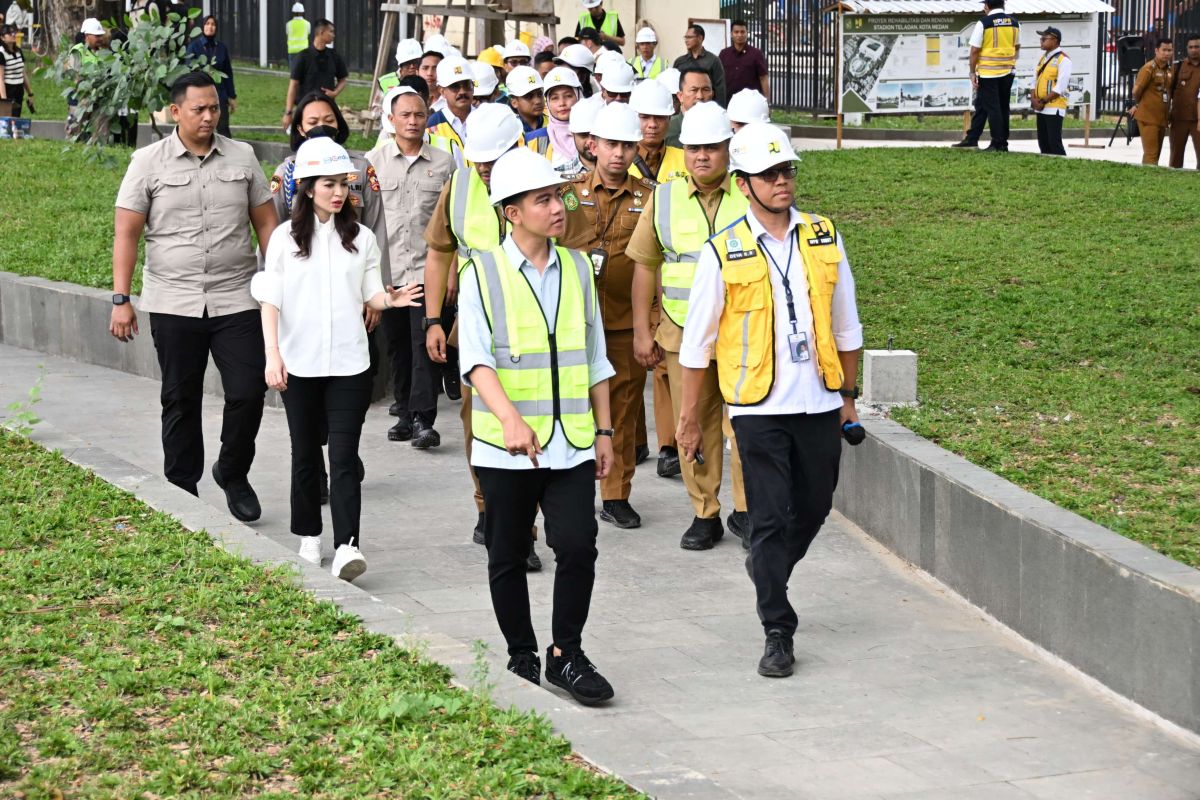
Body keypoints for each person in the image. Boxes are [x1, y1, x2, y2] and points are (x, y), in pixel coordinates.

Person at [677, 123, 863, 677]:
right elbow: (697, 346)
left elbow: (847, 326)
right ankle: (777, 628)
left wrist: (848, 399)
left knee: (815, 504)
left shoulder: (824, 235)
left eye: (788, 172)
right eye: (770, 174)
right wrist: (689, 419)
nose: (783, 182)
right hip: (756, 408)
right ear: (743, 183)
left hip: (820, 401)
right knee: (770, 514)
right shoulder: (722, 251)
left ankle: (766, 565)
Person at [458, 147, 615, 706]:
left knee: (578, 546)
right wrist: (509, 419)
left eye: (558, 196)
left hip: (571, 444)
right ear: (512, 211)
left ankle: (565, 654)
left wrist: (605, 432)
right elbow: (476, 362)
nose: (557, 207)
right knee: (506, 552)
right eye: (543, 199)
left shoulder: (577, 267)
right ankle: (520, 650)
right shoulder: (481, 272)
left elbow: (594, 357)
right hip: (507, 449)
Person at [109, 71, 278, 519]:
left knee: (248, 390)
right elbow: (126, 233)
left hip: (237, 298)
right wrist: (121, 298)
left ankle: (232, 470)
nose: (208, 116)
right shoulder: (148, 162)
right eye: (199, 109)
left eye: (214, 108)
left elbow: (265, 223)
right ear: (176, 112)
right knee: (180, 397)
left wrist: (279, 283)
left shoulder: (242, 156)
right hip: (173, 300)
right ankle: (182, 490)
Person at [253, 137, 423, 581]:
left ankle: (348, 545)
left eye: (343, 184)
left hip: (350, 365)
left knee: (345, 457)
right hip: (299, 365)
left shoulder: (362, 238)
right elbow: (270, 300)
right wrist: (273, 356)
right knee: (306, 454)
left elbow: (369, 293)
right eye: (328, 184)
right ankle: (309, 535)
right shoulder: (284, 241)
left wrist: (390, 298)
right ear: (307, 188)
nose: (339, 192)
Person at [422, 104, 543, 571]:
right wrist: (433, 320)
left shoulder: (547, 188)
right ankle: (487, 508)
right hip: (477, 326)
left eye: (495, 161)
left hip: (537, 326)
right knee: (481, 425)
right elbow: (438, 254)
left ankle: (523, 531)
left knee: (531, 421)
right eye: (480, 162)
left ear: (521, 144)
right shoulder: (459, 187)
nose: (486, 171)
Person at [631, 101, 751, 551]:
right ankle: (706, 512)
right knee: (693, 424)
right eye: (694, 148)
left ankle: (746, 510)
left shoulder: (750, 193)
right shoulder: (663, 199)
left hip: (743, 332)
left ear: (728, 149)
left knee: (744, 425)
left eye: (713, 148)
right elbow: (645, 265)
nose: (702, 156)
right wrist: (644, 330)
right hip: (683, 334)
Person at [559, 102, 653, 529]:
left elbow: (658, 263)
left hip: (621, 323)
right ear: (592, 144)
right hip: (570, 323)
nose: (619, 153)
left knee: (624, 409)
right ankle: (568, 487)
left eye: (628, 146)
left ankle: (616, 494)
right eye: (612, 144)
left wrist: (647, 324)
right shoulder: (565, 193)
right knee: (568, 405)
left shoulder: (650, 198)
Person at [367, 87, 457, 449]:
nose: (412, 121)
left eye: (419, 114)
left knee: (424, 345)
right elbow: (365, 221)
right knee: (398, 347)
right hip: (388, 274)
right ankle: (403, 413)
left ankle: (424, 419)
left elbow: (452, 223)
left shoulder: (444, 163)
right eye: (405, 115)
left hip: (427, 271)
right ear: (391, 120)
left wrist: (451, 272)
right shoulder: (372, 162)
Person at [952, 0, 1019, 152]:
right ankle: (972, 138)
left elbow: (975, 50)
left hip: (989, 73)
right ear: (1003, 5)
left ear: (987, 6)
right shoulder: (1015, 23)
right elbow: (1017, 46)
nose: (984, 8)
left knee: (994, 108)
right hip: (1008, 72)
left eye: (984, 5)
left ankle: (999, 143)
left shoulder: (984, 23)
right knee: (987, 105)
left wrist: (971, 71)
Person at [283, 20, 347, 131]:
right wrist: (288, 113)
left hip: (326, 108)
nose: (333, 35)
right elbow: (293, 85)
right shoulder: (303, 57)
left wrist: (335, 92)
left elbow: (343, 79)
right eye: (331, 31)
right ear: (321, 32)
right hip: (306, 109)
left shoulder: (334, 56)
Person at [186, 15, 236, 138]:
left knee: (223, 128)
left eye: (213, 24)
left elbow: (228, 73)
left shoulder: (221, 48)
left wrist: (232, 96)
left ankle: (227, 156)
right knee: (201, 129)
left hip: (220, 94)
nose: (210, 26)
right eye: (207, 23)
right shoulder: (194, 46)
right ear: (203, 26)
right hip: (199, 94)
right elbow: (189, 69)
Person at [629, 79, 687, 183]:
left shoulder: (686, 160)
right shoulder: (619, 161)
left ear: (669, 119)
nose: (652, 124)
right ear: (633, 119)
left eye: (659, 117)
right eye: (645, 117)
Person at [529, 66, 581, 173]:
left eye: (568, 96)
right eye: (554, 98)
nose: (562, 103)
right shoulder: (536, 139)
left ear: (578, 96)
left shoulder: (595, 134)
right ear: (547, 102)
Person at [1130, 38, 1174, 165]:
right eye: (1164, 50)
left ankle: (1146, 177)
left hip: (1161, 118)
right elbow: (1136, 91)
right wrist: (1139, 104)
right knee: (1151, 155)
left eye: (1169, 50)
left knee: (1155, 154)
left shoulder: (1169, 70)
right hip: (1148, 118)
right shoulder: (1149, 68)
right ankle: (1149, 181)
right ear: (1156, 50)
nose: (1166, 53)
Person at [427, 55, 474, 167]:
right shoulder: (432, 125)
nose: (462, 92)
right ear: (442, 91)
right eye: (455, 86)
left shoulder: (485, 118)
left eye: (466, 85)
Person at [1030, 27, 1071, 157]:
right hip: (1040, 107)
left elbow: (1060, 87)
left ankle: (1063, 166)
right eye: (1041, 38)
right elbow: (1034, 80)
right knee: (1043, 143)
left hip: (1054, 107)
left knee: (1054, 142)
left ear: (1055, 40)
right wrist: (1033, 99)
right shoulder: (1043, 58)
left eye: (1044, 39)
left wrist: (1042, 101)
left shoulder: (1063, 60)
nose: (1041, 41)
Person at [65, 18, 107, 142]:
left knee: (101, 128)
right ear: (87, 36)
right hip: (80, 98)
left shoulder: (102, 53)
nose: (100, 38)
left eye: (100, 35)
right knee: (75, 129)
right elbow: (74, 75)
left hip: (99, 96)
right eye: (96, 35)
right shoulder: (77, 51)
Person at [674, 25, 727, 107]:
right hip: (684, 109)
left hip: (706, 107)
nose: (686, 41)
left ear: (700, 38)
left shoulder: (713, 60)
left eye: (689, 37)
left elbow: (720, 89)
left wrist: (719, 110)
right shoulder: (680, 62)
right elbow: (674, 87)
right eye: (685, 38)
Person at [1169, 35, 1200, 169]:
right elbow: (1168, 91)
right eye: (1191, 47)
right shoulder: (1178, 67)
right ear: (1187, 49)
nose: (1194, 50)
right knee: (1175, 157)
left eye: (1197, 47)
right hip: (1179, 119)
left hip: (1198, 120)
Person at [720, 19, 769, 100]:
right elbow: (719, 78)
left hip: (751, 102)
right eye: (736, 32)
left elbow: (763, 78)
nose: (739, 35)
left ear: (747, 33)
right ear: (731, 34)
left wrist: (766, 101)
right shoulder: (724, 54)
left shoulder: (756, 54)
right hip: (729, 101)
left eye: (742, 32)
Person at [666, 68, 714, 147]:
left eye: (705, 90)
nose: (700, 96)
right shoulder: (667, 130)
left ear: (712, 94)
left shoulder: (722, 126)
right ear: (680, 96)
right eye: (693, 90)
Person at [0, 24, 32, 117]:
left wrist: (30, 93)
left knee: (16, 118)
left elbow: (23, 74)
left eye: (13, 32)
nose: (13, 34)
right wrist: (5, 101)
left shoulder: (18, 51)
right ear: (2, 38)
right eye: (9, 33)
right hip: (7, 90)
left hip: (18, 90)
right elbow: (0, 79)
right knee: (6, 122)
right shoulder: (1, 53)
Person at [568, 93, 603, 175]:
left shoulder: (629, 170)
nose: (590, 142)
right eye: (584, 135)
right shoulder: (558, 177)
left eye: (596, 135)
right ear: (572, 134)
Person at [507, 65, 548, 133]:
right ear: (514, 102)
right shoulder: (510, 132)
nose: (537, 101)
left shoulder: (554, 124)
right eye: (529, 97)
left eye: (540, 94)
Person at [420, 37, 447, 114]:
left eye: (435, 68)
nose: (429, 73)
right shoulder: (410, 98)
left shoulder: (451, 101)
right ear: (417, 71)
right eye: (425, 68)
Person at [285, 2, 309, 74]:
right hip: (304, 51)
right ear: (302, 12)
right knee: (304, 72)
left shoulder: (288, 24)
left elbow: (287, 34)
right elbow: (308, 33)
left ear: (293, 12)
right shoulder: (307, 24)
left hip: (292, 51)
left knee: (294, 74)